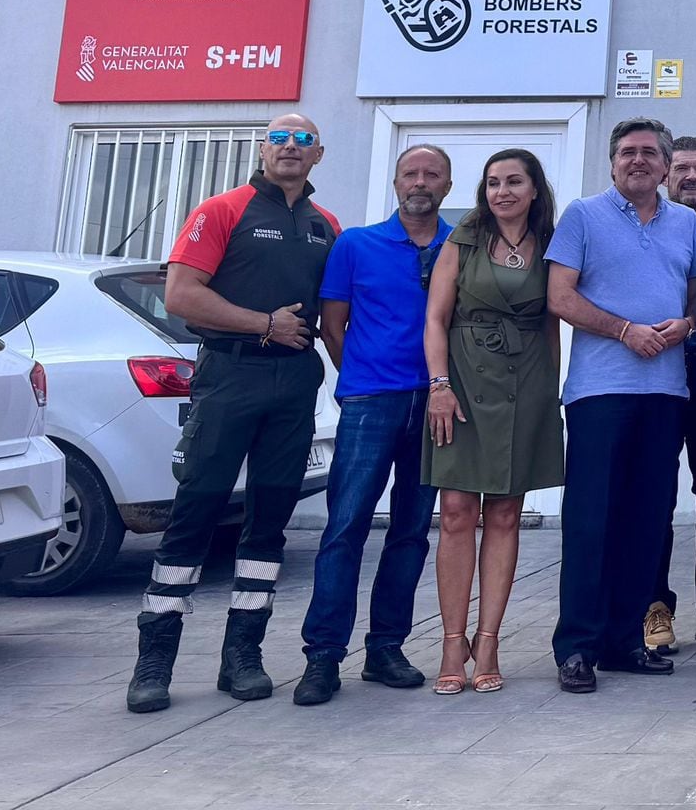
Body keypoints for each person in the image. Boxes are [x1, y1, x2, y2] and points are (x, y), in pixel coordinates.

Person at [126, 114, 341, 714]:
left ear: (318, 154)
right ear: (261, 147)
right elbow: (181, 294)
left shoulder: (328, 226)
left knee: (270, 518)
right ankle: (154, 663)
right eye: (279, 137)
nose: (290, 147)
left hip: (295, 382)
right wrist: (264, 323)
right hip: (230, 373)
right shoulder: (222, 209)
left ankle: (242, 656)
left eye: (302, 140)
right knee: (196, 511)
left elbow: (335, 315)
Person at [293, 145, 453, 706]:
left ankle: (387, 647)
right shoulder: (355, 244)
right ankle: (323, 656)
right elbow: (331, 324)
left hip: (436, 404)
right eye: (411, 172)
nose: (421, 181)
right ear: (394, 181)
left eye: (432, 174)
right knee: (345, 527)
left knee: (411, 532)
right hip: (370, 403)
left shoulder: (460, 243)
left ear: (447, 184)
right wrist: (362, 376)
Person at [547, 119, 696, 692]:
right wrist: (623, 330)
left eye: (648, 153)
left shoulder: (686, 222)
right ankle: (577, 647)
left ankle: (624, 641)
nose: (637, 161)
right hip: (599, 391)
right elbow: (559, 296)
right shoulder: (583, 216)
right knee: (591, 521)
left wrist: (687, 322)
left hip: (665, 391)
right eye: (627, 152)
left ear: (666, 166)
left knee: (647, 521)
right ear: (613, 163)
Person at [423, 149, 564, 695]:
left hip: (525, 383)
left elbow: (553, 325)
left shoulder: (552, 245)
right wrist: (438, 386)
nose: (501, 191)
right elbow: (435, 318)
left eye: (513, 182)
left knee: (505, 514)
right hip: (461, 382)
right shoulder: (463, 239)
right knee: (457, 512)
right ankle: (451, 643)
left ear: (534, 189)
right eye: (492, 183)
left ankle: (489, 641)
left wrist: (550, 395)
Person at [649, 135, 696, 651]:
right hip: (658, 373)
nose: (691, 176)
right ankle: (656, 610)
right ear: (667, 174)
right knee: (656, 495)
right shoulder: (653, 227)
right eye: (683, 168)